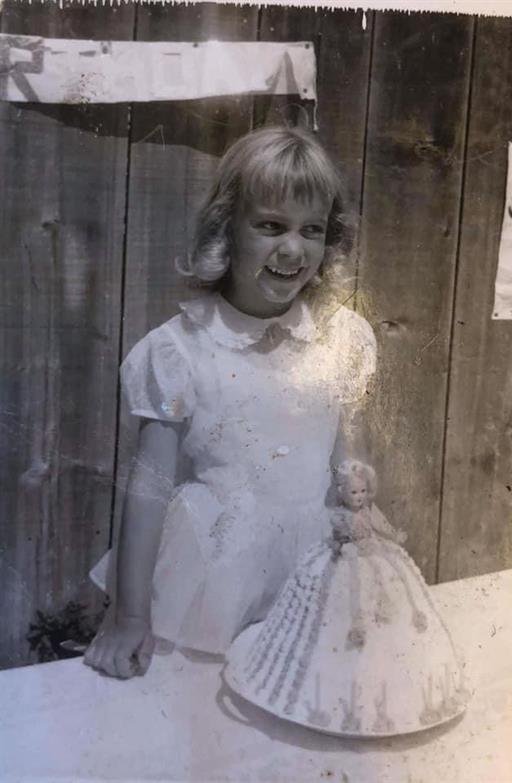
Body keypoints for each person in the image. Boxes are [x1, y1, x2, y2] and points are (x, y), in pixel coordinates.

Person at [84, 125, 377, 679]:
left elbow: (347, 454)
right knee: (199, 699)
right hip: (211, 570)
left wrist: (357, 518)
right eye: (270, 226)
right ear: (227, 227)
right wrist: (128, 614)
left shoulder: (345, 338)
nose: (292, 248)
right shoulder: (179, 350)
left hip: (312, 563)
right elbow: (148, 493)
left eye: (310, 230)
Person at [224, 459, 470, 737]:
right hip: (346, 557)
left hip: (374, 555)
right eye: (354, 493)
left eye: (363, 491)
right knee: (342, 599)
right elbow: (338, 533)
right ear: (342, 492)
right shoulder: (339, 515)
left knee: (391, 594)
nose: (360, 497)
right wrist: (344, 542)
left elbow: (382, 525)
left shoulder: (370, 510)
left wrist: (393, 534)